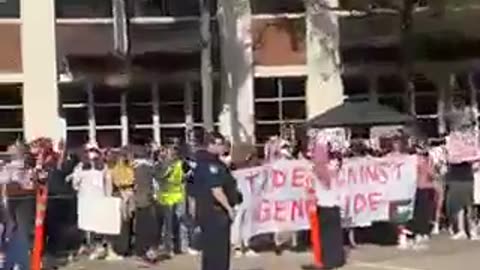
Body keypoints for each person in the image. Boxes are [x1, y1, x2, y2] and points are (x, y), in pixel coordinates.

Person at [192, 131, 242, 270]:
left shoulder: (214, 162)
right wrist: (229, 208)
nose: (223, 148)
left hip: (211, 213)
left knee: (213, 251)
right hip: (215, 213)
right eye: (220, 144)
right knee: (218, 252)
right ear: (211, 144)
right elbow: (216, 190)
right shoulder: (209, 164)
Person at [156, 144, 189, 257]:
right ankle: (168, 248)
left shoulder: (182, 163)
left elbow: (188, 176)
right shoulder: (161, 165)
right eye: (170, 152)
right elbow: (159, 177)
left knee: (181, 220)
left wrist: (185, 178)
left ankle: (182, 246)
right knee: (168, 224)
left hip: (179, 194)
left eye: (174, 152)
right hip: (166, 196)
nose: (172, 154)